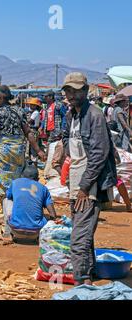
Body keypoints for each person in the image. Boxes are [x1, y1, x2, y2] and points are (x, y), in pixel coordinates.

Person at [62, 72, 117, 287]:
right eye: (68, 90)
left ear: (85, 91)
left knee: (79, 236)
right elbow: (69, 142)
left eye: (76, 90)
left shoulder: (94, 115)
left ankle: (82, 280)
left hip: (89, 183)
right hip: (76, 180)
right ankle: (89, 271)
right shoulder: (71, 115)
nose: (71, 94)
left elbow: (99, 153)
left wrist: (85, 186)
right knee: (82, 229)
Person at [0, 86, 46, 196]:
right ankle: (15, 203)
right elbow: (28, 132)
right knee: (16, 178)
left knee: (2, 181)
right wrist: (38, 150)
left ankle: (6, 205)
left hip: (3, 153)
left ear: (1, 98)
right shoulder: (20, 111)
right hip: (18, 151)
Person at [5, 164, 57, 243]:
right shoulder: (43, 188)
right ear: (38, 179)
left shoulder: (15, 182)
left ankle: (7, 233)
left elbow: (8, 196)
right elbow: (53, 215)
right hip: (36, 232)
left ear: (22, 176)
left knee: (6, 200)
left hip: (16, 229)